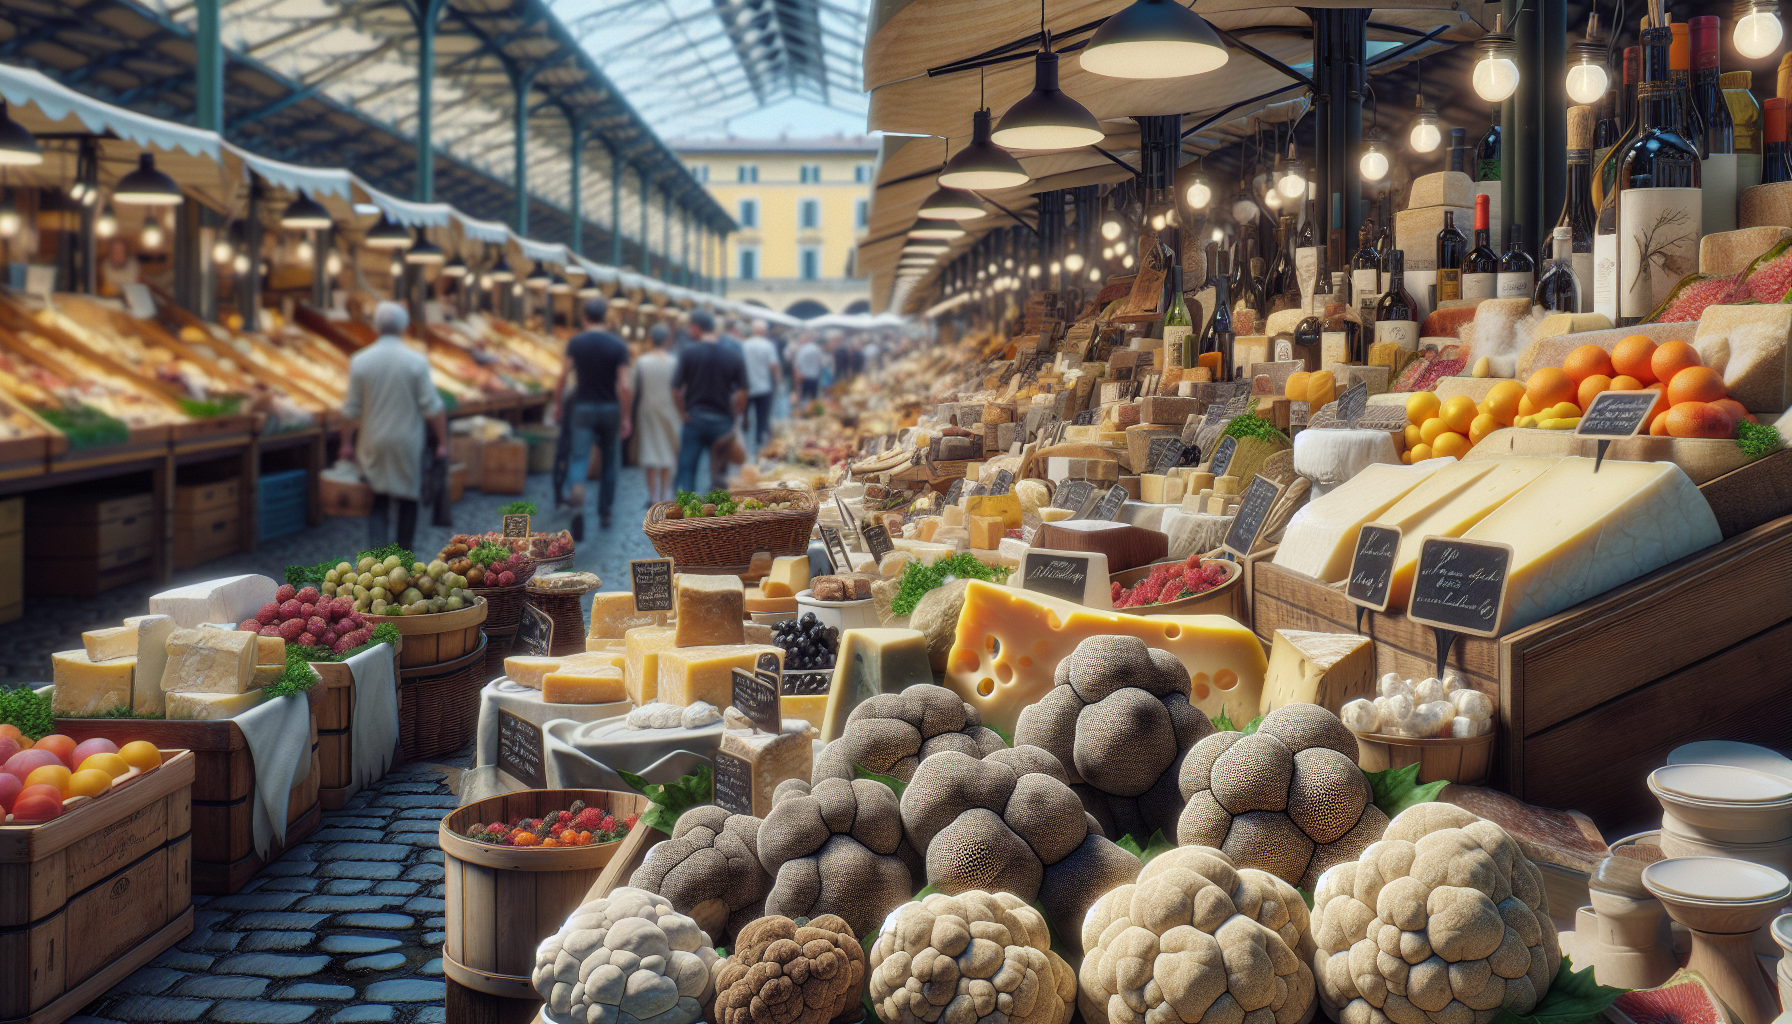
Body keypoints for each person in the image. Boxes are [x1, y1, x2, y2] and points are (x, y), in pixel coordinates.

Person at [339, 301, 447, 552]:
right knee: (408, 499)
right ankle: (404, 559)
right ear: (404, 327)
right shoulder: (416, 362)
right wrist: (442, 442)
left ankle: (376, 565)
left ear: (376, 326)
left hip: (372, 442)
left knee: (377, 500)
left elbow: (350, 410)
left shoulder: (360, 361)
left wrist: (345, 443)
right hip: (407, 443)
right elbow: (432, 407)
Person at [555, 296, 632, 538]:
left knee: (579, 457)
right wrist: (626, 416)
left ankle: (577, 493)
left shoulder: (576, 343)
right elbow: (625, 385)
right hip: (609, 408)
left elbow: (563, 375)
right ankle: (605, 511)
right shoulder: (618, 345)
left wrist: (557, 403)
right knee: (610, 459)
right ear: (606, 318)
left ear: (585, 318)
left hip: (583, 408)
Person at [672, 309, 748, 494]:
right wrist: (737, 415)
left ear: (698, 328)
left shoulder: (688, 353)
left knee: (687, 470)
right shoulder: (733, 355)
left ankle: (685, 517)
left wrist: (682, 413)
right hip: (722, 421)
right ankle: (717, 518)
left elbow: (675, 388)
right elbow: (743, 392)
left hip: (694, 419)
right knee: (720, 477)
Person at [632, 323, 681, 505]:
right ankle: (663, 492)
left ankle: (653, 495)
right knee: (668, 452)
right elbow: (680, 389)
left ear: (651, 339)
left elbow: (633, 387)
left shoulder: (642, 361)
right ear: (667, 340)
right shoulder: (675, 362)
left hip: (648, 409)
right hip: (670, 409)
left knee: (650, 451)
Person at [739, 320, 781, 452]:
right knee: (762, 419)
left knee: (744, 418)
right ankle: (759, 446)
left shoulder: (743, 345)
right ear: (764, 331)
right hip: (763, 388)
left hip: (745, 387)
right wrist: (779, 383)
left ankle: (743, 445)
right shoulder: (768, 345)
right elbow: (773, 366)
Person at [791, 332, 824, 402]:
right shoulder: (817, 349)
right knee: (813, 398)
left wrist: (796, 377)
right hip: (815, 376)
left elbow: (797, 364)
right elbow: (821, 362)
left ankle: (803, 411)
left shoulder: (802, 349)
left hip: (804, 377)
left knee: (803, 397)